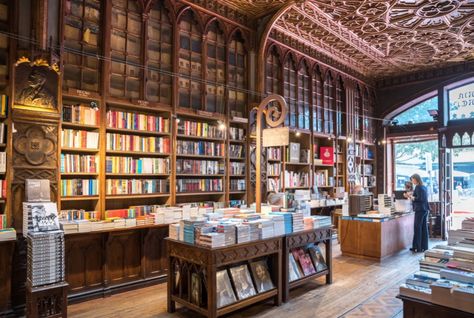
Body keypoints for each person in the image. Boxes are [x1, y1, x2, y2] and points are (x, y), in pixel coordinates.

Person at [406, 174, 429, 253]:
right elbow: (422, 197)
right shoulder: (424, 187)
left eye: (412, 179)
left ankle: (417, 248)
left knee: (417, 228)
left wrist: (410, 197)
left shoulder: (418, 187)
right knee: (423, 228)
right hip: (425, 209)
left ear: (416, 179)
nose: (412, 181)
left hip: (420, 210)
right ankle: (424, 247)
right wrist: (412, 195)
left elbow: (419, 199)